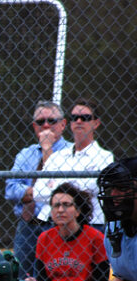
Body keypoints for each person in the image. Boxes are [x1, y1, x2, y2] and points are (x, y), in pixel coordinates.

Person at [5, 100, 72, 277]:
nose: (46, 125)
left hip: (58, 226)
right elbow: (11, 189)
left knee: (53, 278)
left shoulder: (72, 152)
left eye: (52, 120)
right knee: (20, 278)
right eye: (41, 122)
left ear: (63, 124)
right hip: (28, 226)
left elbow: (61, 189)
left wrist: (48, 149)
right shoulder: (25, 154)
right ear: (35, 126)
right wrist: (40, 193)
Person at [34, 97, 114, 231]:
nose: (79, 121)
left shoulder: (105, 157)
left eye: (85, 117)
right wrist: (75, 186)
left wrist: (55, 186)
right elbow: (37, 192)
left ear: (96, 123)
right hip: (51, 224)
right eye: (75, 117)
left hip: (90, 224)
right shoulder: (57, 156)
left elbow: (92, 189)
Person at [31, 182, 108, 281]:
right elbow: (41, 279)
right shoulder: (45, 238)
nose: (60, 210)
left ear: (78, 211)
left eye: (66, 205)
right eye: (56, 205)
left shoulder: (95, 237)